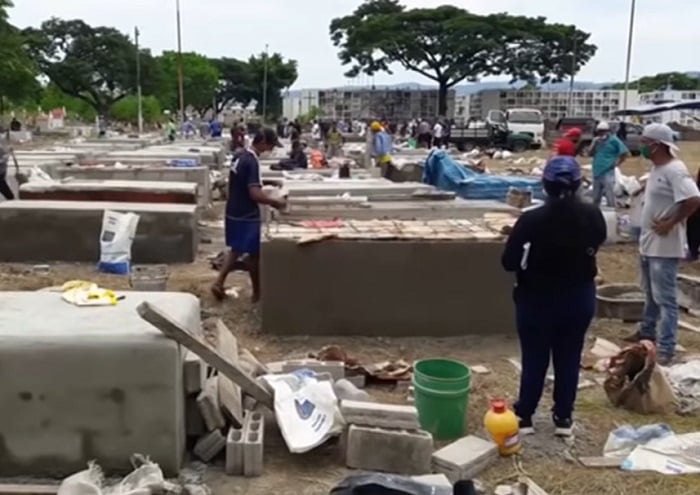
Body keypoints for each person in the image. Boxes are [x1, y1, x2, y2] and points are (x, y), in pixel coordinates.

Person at [501, 155, 606, 437]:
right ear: (578, 184)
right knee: (569, 356)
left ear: (544, 185)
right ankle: (563, 417)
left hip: (536, 298)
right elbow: (597, 242)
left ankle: (524, 416)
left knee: (535, 358)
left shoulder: (532, 219)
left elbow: (508, 262)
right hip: (578, 297)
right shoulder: (592, 215)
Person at [624, 123, 700, 364]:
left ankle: (666, 347)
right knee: (649, 293)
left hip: (664, 246)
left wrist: (671, 222)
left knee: (665, 298)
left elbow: (693, 199)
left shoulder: (675, 170)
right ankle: (647, 332)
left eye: (645, 142)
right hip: (649, 242)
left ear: (657, 145)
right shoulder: (657, 168)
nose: (642, 146)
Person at [211, 128, 287, 303]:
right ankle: (257, 294)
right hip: (247, 213)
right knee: (254, 255)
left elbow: (244, 182)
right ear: (261, 143)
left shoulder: (240, 156)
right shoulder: (252, 161)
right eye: (269, 146)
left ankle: (219, 282)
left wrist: (266, 182)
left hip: (233, 210)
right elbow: (254, 193)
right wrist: (276, 202)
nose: (270, 150)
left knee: (236, 249)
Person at [589, 121, 629, 208]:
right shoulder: (596, 141)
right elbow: (589, 153)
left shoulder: (614, 141)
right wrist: (594, 144)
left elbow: (625, 153)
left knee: (609, 194)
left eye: (603, 131)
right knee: (596, 196)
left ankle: (612, 212)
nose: (601, 133)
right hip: (597, 171)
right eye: (600, 131)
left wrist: (617, 163)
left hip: (608, 171)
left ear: (608, 131)